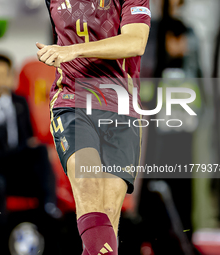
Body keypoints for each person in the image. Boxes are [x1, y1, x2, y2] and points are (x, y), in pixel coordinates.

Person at [36, 0, 150, 254]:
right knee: (89, 187)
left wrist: (74, 50)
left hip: (121, 108)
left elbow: (135, 42)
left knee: (108, 216)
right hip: (72, 101)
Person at [0, 54, 58, 215]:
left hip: (17, 168)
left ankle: (49, 208)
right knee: (36, 154)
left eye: (1, 75)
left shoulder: (20, 102)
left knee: (42, 153)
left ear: (10, 77)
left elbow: (28, 136)